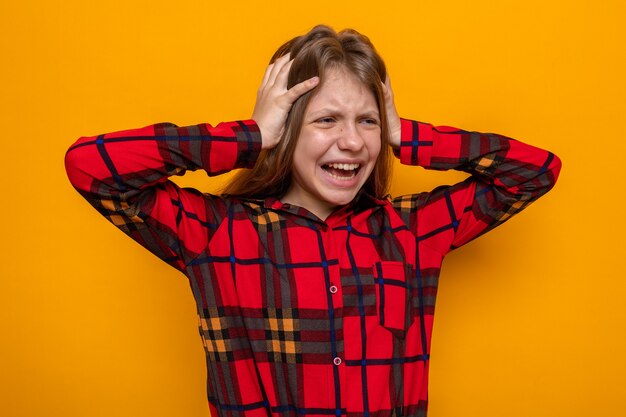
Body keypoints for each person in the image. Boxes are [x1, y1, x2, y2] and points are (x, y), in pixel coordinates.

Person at [65, 25, 561, 417]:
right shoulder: (217, 233)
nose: (352, 142)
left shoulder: (410, 232)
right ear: (287, 128)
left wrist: (405, 134)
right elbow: (91, 168)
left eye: (366, 121)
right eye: (327, 120)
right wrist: (250, 135)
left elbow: (535, 172)